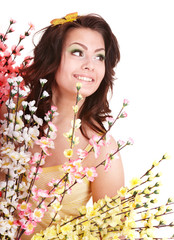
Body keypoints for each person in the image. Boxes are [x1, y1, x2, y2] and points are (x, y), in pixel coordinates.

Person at [2, 13, 125, 239]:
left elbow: (114, 234)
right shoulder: (9, 115)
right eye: (78, 52)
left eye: (99, 57)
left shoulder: (102, 150)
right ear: (52, 57)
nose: (90, 65)